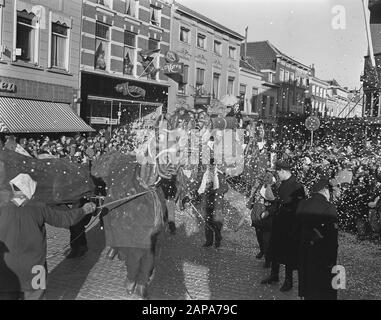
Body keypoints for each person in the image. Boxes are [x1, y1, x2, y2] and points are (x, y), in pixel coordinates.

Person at [0, 173, 97, 300]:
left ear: (13, 189)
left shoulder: (2, 208)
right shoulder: (39, 207)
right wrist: (84, 210)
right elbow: (65, 219)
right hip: (35, 267)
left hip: (6, 269)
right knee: (36, 296)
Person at [261, 160, 305, 292]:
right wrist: (268, 211)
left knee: (288, 254)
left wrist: (290, 216)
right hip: (279, 223)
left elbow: (299, 207)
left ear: (283, 171)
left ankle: (288, 281)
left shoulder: (297, 186)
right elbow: (278, 202)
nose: (277, 175)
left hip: (289, 226)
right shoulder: (283, 184)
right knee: (275, 249)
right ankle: (274, 275)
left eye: (278, 172)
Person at [296, 178, 339, 300]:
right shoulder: (329, 208)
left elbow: (296, 229)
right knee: (322, 290)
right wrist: (332, 261)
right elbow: (332, 239)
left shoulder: (302, 204)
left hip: (304, 252)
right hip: (322, 256)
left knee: (307, 288)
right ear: (325, 190)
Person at [198, 163, 228, 249]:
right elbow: (197, 186)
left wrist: (215, 191)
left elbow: (225, 188)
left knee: (216, 223)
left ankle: (217, 240)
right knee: (207, 223)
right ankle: (209, 241)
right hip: (206, 203)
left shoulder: (219, 175)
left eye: (212, 165)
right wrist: (189, 195)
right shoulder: (204, 175)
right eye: (209, 165)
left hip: (216, 204)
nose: (211, 167)